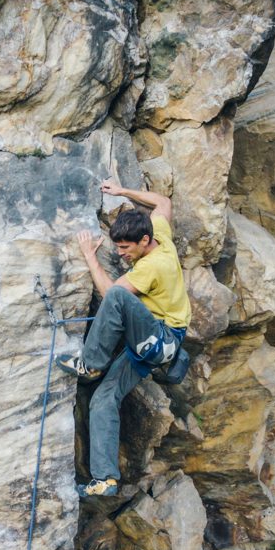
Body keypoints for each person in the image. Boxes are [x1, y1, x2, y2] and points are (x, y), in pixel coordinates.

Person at [56, 180, 192, 498]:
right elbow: (162, 203)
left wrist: (90, 255)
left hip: (159, 340)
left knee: (118, 295)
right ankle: (105, 480)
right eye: (118, 248)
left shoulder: (152, 266)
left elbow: (111, 295)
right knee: (103, 399)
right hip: (150, 343)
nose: (120, 253)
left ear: (144, 241)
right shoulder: (159, 235)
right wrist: (122, 191)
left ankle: (89, 364)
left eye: (125, 248)